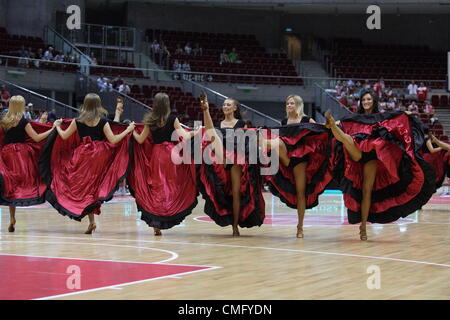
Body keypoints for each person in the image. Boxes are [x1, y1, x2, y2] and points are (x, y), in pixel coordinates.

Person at [324, 91, 435, 241]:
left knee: (366, 191)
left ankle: (363, 226)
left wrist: (404, 114)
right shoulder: (354, 117)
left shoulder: (380, 117)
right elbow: (344, 123)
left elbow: (394, 118)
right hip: (356, 153)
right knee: (346, 138)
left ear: (374, 101)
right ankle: (331, 123)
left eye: (369, 99)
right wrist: (335, 124)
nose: (366, 101)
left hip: (372, 157)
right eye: (363, 99)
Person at [42, 93, 135, 234]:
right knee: (92, 190)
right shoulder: (103, 121)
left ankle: (91, 221)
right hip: (99, 157)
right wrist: (128, 130)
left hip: (82, 157)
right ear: (98, 105)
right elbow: (114, 140)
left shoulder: (77, 121)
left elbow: (64, 136)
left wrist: (57, 126)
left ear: (84, 105)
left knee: (83, 189)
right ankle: (92, 222)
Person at [259, 95, 333, 238]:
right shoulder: (284, 121)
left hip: (300, 160)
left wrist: (330, 124)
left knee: (301, 193)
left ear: (298, 105)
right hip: (285, 158)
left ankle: (300, 226)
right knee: (278, 142)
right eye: (287, 103)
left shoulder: (306, 120)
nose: (289, 105)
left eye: (292, 103)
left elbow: (320, 130)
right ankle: (261, 141)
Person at [128, 93, 199, 236]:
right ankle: (168, 213)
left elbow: (141, 140)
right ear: (167, 104)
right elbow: (184, 137)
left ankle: (156, 221)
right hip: (171, 155)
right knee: (171, 186)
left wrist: (132, 131)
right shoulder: (173, 119)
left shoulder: (150, 120)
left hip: (156, 155)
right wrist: (196, 132)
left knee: (158, 187)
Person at [199, 93, 265, 236]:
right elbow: (210, 130)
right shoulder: (219, 124)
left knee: (236, 193)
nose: (225, 106)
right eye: (224, 104)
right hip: (221, 159)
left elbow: (246, 142)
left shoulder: (241, 124)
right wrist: (206, 110)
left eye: (228, 104)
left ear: (235, 108)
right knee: (221, 190)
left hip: (235, 159)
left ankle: (235, 226)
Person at [0, 95, 56, 232]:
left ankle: (12, 217)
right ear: (21, 106)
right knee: (30, 181)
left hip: (6, 154)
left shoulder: (4, 121)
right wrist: (52, 129)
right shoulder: (24, 122)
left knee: (10, 187)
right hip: (20, 155)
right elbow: (36, 138)